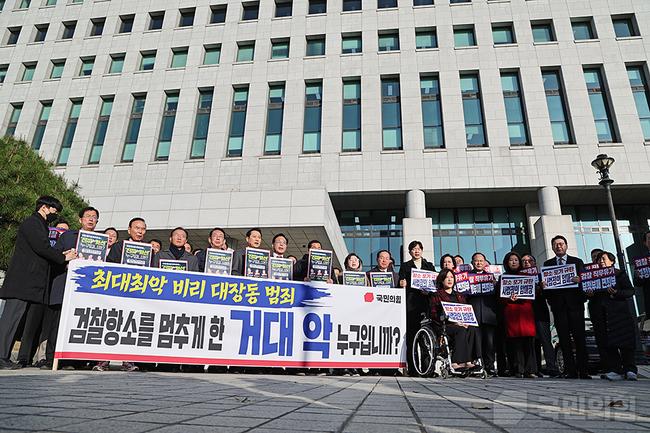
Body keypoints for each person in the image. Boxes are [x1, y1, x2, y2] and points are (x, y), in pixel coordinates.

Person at [0, 196, 77, 369]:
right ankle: (1, 356)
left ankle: (4, 357)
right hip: (21, 283)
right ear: (44, 207)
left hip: (28, 284)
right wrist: (63, 257)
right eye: (54, 210)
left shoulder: (40, 224)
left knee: (16, 322)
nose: (55, 215)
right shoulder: (33, 223)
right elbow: (42, 247)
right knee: (10, 320)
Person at [39, 207, 101, 370]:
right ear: (80, 220)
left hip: (86, 290)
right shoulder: (67, 236)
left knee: (77, 326)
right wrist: (65, 258)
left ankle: (72, 361)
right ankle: (51, 359)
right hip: (65, 284)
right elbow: (54, 256)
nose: (91, 219)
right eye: (88, 216)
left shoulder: (100, 241)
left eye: (94, 217)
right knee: (58, 324)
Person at [542, 235, 589, 379]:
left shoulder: (577, 262)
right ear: (552, 247)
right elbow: (546, 289)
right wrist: (544, 286)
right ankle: (570, 371)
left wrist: (580, 280)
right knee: (564, 340)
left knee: (580, 339)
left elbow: (587, 281)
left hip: (575, 306)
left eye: (561, 244)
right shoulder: (548, 264)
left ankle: (584, 371)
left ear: (566, 246)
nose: (559, 246)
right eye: (556, 244)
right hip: (558, 308)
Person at [595, 251, 638, 381]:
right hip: (604, 314)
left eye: (603, 259)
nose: (601, 261)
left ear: (612, 261)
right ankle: (615, 369)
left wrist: (616, 292)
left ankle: (630, 369)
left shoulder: (619, 274)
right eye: (599, 260)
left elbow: (630, 291)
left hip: (620, 313)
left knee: (626, 343)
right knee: (610, 343)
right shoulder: (594, 277)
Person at [429, 269, 481, 370]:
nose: (449, 280)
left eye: (451, 277)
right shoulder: (436, 295)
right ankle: (457, 362)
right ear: (441, 280)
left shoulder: (459, 295)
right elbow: (434, 314)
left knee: (473, 329)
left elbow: (466, 311)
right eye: (446, 277)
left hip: (461, 324)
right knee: (460, 330)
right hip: (444, 325)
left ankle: (469, 360)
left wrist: (467, 322)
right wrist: (454, 322)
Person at [398, 240, 436, 375]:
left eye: (419, 248)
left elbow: (435, 285)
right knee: (411, 338)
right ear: (410, 252)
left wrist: (429, 292)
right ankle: (413, 369)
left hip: (426, 305)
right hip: (411, 305)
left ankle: (428, 369)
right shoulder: (405, 266)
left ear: (422, 250)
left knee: (426, 339)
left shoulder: (429, 266)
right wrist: (401, 283)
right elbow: (400, 283)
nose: (416, 251)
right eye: (414, 249)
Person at [499, 252, 537, 378]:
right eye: (511, 260)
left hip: (525, 312)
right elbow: (498, 298)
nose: (514, 262)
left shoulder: (527, 276)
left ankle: (529, 370)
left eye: (516, 259)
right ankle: (517, 369)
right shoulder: (503, 278)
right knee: (514, 342)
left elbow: (533, 294)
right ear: (507, 262)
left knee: (528, 341)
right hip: (511, 312)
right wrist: (507, 298)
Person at [523, 254, 558, 377]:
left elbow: (550, 294)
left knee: (545, 341)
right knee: (531, 343)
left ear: (534, 263)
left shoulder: (542, 276)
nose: (527, 263)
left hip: (540, 312)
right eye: (524, 261)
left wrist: (543, 288)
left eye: (530, 260)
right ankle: (535, 368)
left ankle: (552, 368)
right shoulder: (518, 277)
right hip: (525, 315)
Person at [465, 252, 498, 376]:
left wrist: (495, 285)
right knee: (475, 342)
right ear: (472, 262)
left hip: (489, 314)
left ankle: (490, 366)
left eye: (481, 261)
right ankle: (476, 366)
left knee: (490, 342)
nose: (478, 263)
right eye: (476, 260)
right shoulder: (467, 277)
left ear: (485, 263)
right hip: (473, 314)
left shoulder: (491, 277)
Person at [585, 248, 608, 375]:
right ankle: (606, 366)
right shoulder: (588, 274)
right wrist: (587, 293)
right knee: (600, 338)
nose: (596, 259)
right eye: (594, 257)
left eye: (599, 257)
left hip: (611, 309)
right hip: (595, 308)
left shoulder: (612, 272)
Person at [633, 231, 650, 327]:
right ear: (645, 243)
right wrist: (638, 277)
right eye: (649, 238)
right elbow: (636, 282)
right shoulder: (641, 261)